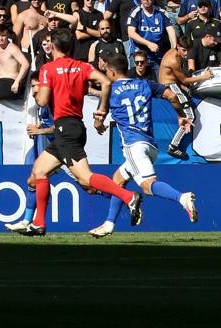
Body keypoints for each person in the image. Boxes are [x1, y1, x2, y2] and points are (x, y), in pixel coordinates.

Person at [15, 28, 142, 236]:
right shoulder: (81, 66)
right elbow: (106, 82)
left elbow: (43, 101)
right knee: (39, 171)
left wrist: (38, 94)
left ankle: (128, 197)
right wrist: (102, 108)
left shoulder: (48, 69)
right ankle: (39, 223)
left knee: (86, 178)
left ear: (54, 46)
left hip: (64, 128)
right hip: (73, 127)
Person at [88, 54, 197, 238]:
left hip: (134, 145)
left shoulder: (111, 89)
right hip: (151, 146)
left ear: (112, 72)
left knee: (147, 186)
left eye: (107, 72)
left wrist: (99, 124)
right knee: (117, 181)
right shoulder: (145, 84)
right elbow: (171, 95)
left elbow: (100, 119)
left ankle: (182, 198)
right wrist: (180, 115)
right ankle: (108, 223)